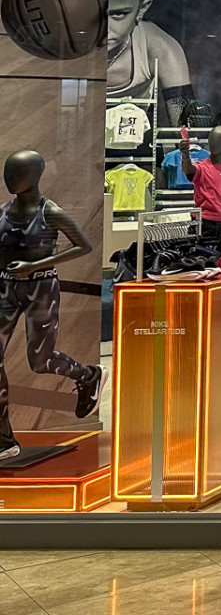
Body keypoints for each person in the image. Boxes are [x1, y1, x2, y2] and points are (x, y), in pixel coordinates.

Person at [0, 150, 103, 460]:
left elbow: (83, 246)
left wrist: (35, 265)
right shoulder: (3, 211)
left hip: (41, 287)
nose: (9, 179)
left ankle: (87, 375)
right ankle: (4, 438)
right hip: (5, 287)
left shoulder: (51, 212)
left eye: (17, 173)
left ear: (35, 176)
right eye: (8, 172)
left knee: (40, 360)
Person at [104, 0, 194, 122]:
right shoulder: (58, 42)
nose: (104, 27)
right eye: (92, 11)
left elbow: (185, 129)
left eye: (118, 14)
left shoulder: (161, 48)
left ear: (142, 9)